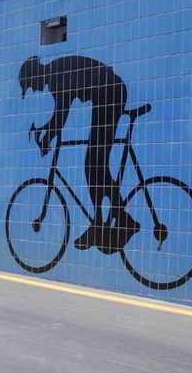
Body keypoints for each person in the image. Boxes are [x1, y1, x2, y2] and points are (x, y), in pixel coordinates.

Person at [18, 55, 139, 253]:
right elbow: (59, 115)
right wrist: (47, 131)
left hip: (110, 94)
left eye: (30, 85)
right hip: (108, 94)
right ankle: (120, 219)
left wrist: (47, 138)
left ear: (35, 75)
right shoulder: (56, 73)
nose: (33, 89)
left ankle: (102, 224)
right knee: (96, 165)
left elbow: (61, 114)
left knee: (93, 164)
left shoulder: (56, 76)